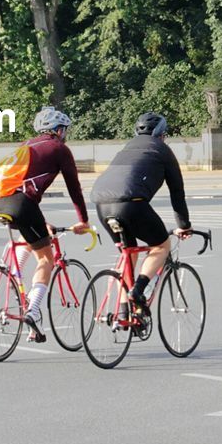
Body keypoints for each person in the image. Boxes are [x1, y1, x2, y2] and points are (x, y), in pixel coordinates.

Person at [0, 107, 90, 342]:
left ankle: (12, 273)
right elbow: (74, 188)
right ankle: (33, 310)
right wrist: (83, 220)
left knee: (30, 236)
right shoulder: (59, 149)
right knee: (46, 259)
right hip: (22, 205)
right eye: (64, 130)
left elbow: (23, 189)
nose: (65, 135)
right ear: (58, 130)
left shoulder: (26, 146)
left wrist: (42, 222)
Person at [90, 112, 193, 312]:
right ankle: (137, 291)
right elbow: (177, 193)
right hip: (131, 203)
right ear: (162, 135)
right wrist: (184, 226)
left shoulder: (126, 149)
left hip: (101, 204)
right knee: (161, 246)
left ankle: (122, 312)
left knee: (128, 253)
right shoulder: (163, 150)